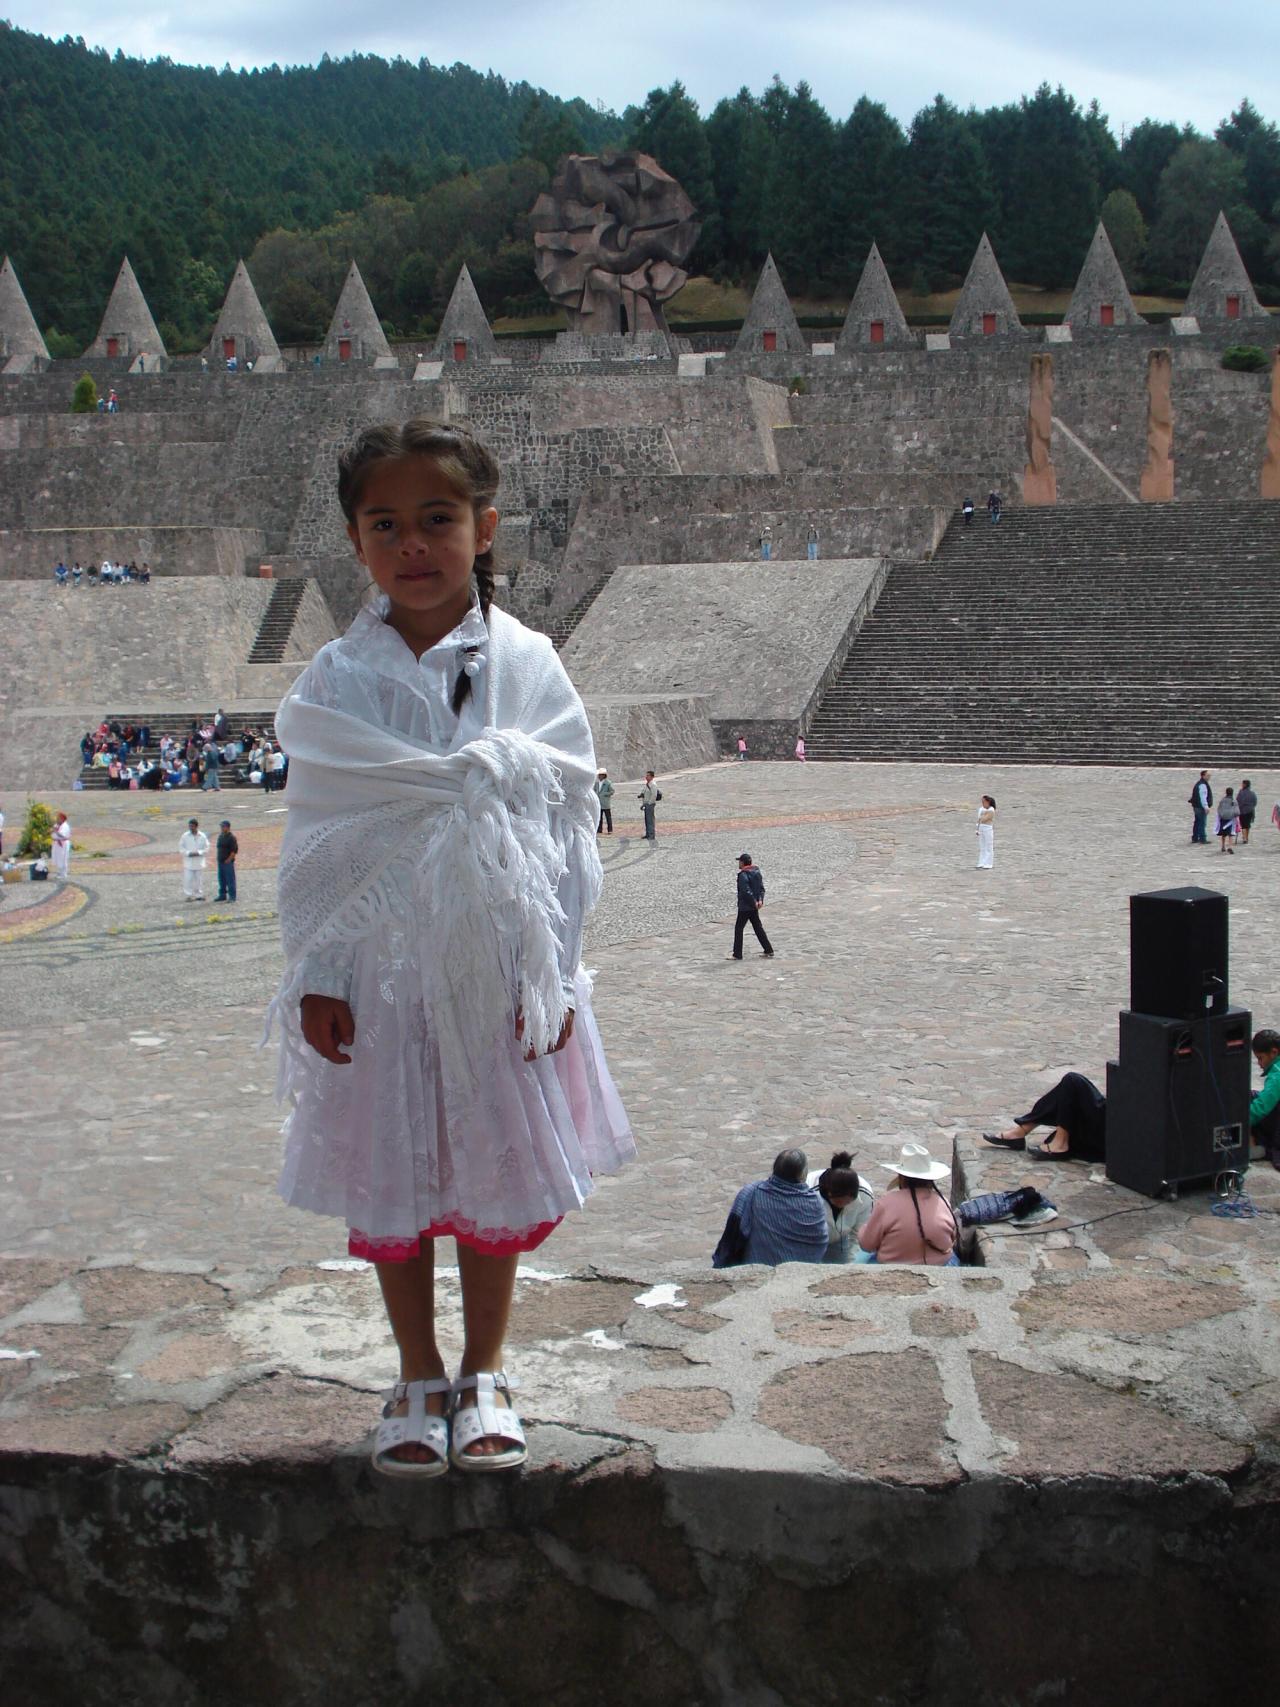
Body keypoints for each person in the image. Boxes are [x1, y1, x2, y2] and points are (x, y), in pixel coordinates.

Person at [270, 417, 634, 1477]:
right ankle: (415, 1369)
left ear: (483, 529)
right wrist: (320, 974)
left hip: (491, 978)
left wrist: (550, 972)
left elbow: (565, 825)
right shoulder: (337, 679)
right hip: (381, 982)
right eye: (386, 525)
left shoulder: (528, 666)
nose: (413, 544)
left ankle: (484, 1369)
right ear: (356, 544)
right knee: (397, 1180)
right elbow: (323, 837)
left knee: (484, 1181)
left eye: (437, 519)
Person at [713, 1148, 828, 1267]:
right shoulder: (814, 1201)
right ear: (801, 1174)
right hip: (800, 1273)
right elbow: (820, 1241)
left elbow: (731, 1238)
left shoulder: (751, 1193)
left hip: (758, 1270)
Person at [858, 1144, 960, 1265]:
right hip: (941, 1265)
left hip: (892, 1267)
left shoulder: (886, 1203)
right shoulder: (943, 1201)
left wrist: (863, 1229)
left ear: (901, 1177)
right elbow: (952, 1238)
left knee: (861, 1256)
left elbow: (867, 1244)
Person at [979, 1070, 1107, 1161]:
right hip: (1112, 1123)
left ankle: (1058, 1143)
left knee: (1073, 1081)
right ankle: (1021, 1131)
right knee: (1070, 1088)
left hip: (1109, 1134)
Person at [808, 1151, 875, 1262]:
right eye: (838, 1202)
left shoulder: (865, 1195)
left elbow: (858, 1234)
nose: (842, 1205)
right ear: (828, 1193)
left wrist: (850, 1263)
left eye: (847, 1203)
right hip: (809, 1239)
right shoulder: (808, 1191)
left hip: (840, 1239)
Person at [730, 852, 773, 960]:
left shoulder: (743, 875)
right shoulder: (757, 872)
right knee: (758, 927)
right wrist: (760, 900)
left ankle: (737, 954)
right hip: (754, 906)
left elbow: (745, 891)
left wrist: (753, 901)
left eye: (739, 861)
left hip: (745, 906)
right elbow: (761, 889)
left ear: (743, 862)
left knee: (739, 928)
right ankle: (768, 949)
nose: (739, 863)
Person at [1250, 1029, 1280, 1168]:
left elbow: (1260, 1108)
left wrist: (1238, 1122)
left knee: (1248, 1101)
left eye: (1260, 1058)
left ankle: (1256, 1145)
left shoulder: (1277, 1075)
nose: (1259, 1064)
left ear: (1273, 1052)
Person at [179, 817, 209, 901]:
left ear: (196, 826)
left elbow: (207, 848)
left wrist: (199, 852)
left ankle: (198, 895)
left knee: (198, 880)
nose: (191, 828)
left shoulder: (202, 836)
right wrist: (188, 853)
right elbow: (181, 848)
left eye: (192, 826)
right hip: (188, 862)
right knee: (188, 879)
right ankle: (189, 895)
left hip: (199, 862)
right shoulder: (185, 836)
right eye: (190, 826)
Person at [216, 820, 239, 903]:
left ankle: (232, 896)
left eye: (223, 826)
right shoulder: (221, 836)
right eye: (221, 826)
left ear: (228, 827)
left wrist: (229, 859)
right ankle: (222, 895)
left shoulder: (231, 838)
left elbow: (234, 851)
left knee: (230, 880)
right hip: (220, 861)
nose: (222, 828)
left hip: (227, 862)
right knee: (221, 879)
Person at [1189, 770, 1212, 844]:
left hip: (1196, 806)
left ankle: (1195, 837)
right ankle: (1202, 838)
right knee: (1202, 822)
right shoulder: (1203, 785)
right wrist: (1206, 806)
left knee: (1197, 822)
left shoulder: (1199, 783)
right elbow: (1203, 797)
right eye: (1208, 775)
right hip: (1200, 806)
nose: (1209, 777)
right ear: (1203, 776)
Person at [1216, 786, 1239, 852]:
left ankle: (1223, 846)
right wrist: (1236, 815)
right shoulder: (1234, 801)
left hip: (1223, 818)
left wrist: (1221, 815)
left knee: (1223, 833)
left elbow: (1219, 809)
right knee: (1230, 833)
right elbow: (1237, 811)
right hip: (1231, 819)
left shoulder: (1222, 800)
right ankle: (1230, 846)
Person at [976, 795, 996, 868]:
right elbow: (979, 819)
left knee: (988, 846)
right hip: (981, 828)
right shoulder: (981, 809)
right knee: (982, 846)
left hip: (987, 828)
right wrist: (977, 829)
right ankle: (982, 862)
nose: (982, 803)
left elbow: (984, 819)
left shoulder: (991, 810)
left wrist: (982, 816)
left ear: (988, 802)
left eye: (984, 802)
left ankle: (989, 863)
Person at [51, 811, 71, 880]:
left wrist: (55, 831)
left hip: (63, 843)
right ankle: (59, 872)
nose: (57, 819)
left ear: (62, 819)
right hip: (57, 843)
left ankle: (63, 873)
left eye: (58, 818)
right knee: (58, 858)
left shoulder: (65, 826)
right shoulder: (57, 825)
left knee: (62, 858)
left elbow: (62, 835)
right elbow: (53, 832)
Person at [639, 771, 659, 841]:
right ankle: (648, 834)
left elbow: (654, 795)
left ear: (652, 777)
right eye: (646, 775)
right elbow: (645, 792)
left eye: (648, 775)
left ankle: (651, 835)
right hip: (646, 803)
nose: (646, 777)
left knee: (650, 820)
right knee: (647, 820)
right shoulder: (647, 784)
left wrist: (650, 803)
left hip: (650, 804)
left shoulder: (653, 784)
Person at [1237, 779, 1257, 845]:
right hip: (1250, 811)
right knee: (1248, 825)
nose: (1241, 785)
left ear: (1245, 785)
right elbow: (1255, 802)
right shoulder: (1252, 793)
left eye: (1242, 784)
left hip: (1242, 811)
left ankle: (1244, 838)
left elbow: (1238, 801)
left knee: (1243, 825)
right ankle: (1246, 837)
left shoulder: (1241, 793)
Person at [594, 769, 614, 835]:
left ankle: (610, 829)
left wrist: (605, 794)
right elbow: (594, 791)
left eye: (600, 775)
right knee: (599, 817)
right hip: (598, 803)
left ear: (603, 775)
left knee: (608, 817)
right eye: (598, 775)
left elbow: (612, 791)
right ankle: (599, 829)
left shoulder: (608, 783)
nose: (599, 776)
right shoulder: (596, 783)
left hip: (605, 803)